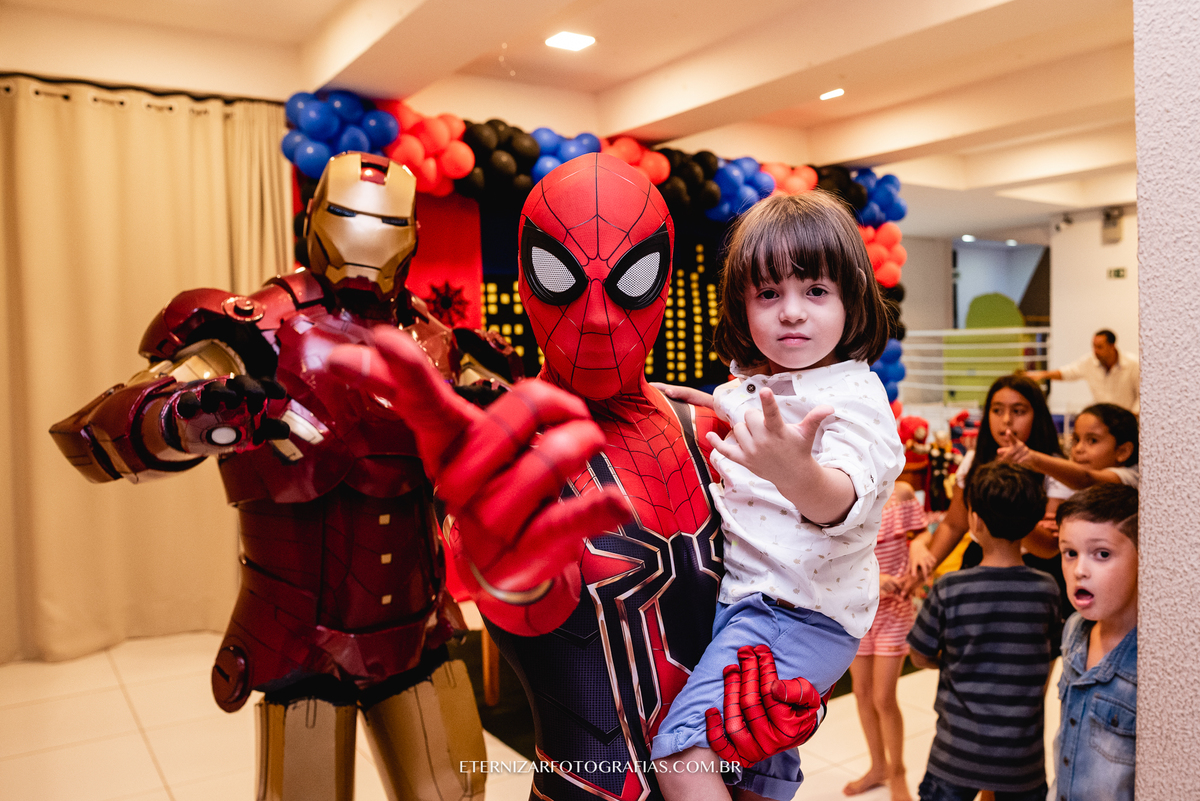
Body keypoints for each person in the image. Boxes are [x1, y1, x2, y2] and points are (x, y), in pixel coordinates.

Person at [49, 151, 626, 801]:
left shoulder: (435, 342)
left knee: (453, 792)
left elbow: (502, 445)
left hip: (419, 625)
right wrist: (190, 417)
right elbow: (94, 435)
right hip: (297, 632)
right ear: (316, 218)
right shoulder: (256, 329)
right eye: (350, 216)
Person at [331, 153, 825, 801]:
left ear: (665, 281)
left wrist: (782, 697)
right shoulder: (519, 452)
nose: (595, 315)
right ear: (526, 279)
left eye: (631, 278)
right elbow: (514, 579)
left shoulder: (714, 430)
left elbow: (789, 608)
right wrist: (497, 569)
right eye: (559, 276)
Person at [648, 190, 903, 801]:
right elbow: (731, 407)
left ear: (851, 299)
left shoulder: (853, 397)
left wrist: (797, 474)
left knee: (683, 752)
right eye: (769, 294)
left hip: (800, 614)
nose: (791, 312)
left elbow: (842, 500)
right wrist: (670, 402)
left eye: (815, 291)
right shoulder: (756, 381)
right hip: (753, 604)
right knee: (752, 770)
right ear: (742, 306)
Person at [907, 462, 1062, 801]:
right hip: (1022, 762)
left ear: (974, 521)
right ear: (1032, 521)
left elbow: (918, 654)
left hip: (955, 755)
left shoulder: (951, 588)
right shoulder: (1047, 589)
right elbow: (1048, 652)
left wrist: (943, 662)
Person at [908, 375, 1071, 591]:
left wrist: (999, 506)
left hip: (1034, 570)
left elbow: (1048, 546)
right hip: (979, 560)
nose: (1006, 420)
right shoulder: (973, 460)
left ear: (1037, 415)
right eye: (997, 410)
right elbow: (954, 525)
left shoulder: (1054, 468)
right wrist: (919, 575)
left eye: (1018, 411)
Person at [1052, 484, 1138, 801]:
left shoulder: (1152, 660)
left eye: (1102, 554)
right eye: (1069, 553)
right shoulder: (1075, 628)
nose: (1080, 571)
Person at [844, 482, 928, 801]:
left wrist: (920, 546)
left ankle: (898, 771)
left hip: (893, 609)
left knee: (883, 696)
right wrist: (873, 580)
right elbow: (832, 557)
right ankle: (878, 766)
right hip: (856, 609)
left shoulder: (903, 492)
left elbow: (920, 533)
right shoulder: (841, 495)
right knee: (862, 692)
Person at [998, 402, 1139, 490]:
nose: (1078, 449)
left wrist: (1033, 458)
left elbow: (1085, 479)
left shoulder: (1130, 478)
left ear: (1123, 451)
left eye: (1093, 441)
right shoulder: (1072, 478)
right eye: (1076, 440)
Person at [1022, 329, 1139, 414]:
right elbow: (1067, 373)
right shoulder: (1089, 362)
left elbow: (1142, 395)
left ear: (1112, 346)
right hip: (1104, 419)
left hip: (1128, 420)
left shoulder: (1133, 364)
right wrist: (1043, 374)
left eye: (1100, 347)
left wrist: (1133, 415)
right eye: (1094, 346)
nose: (1095, 351)